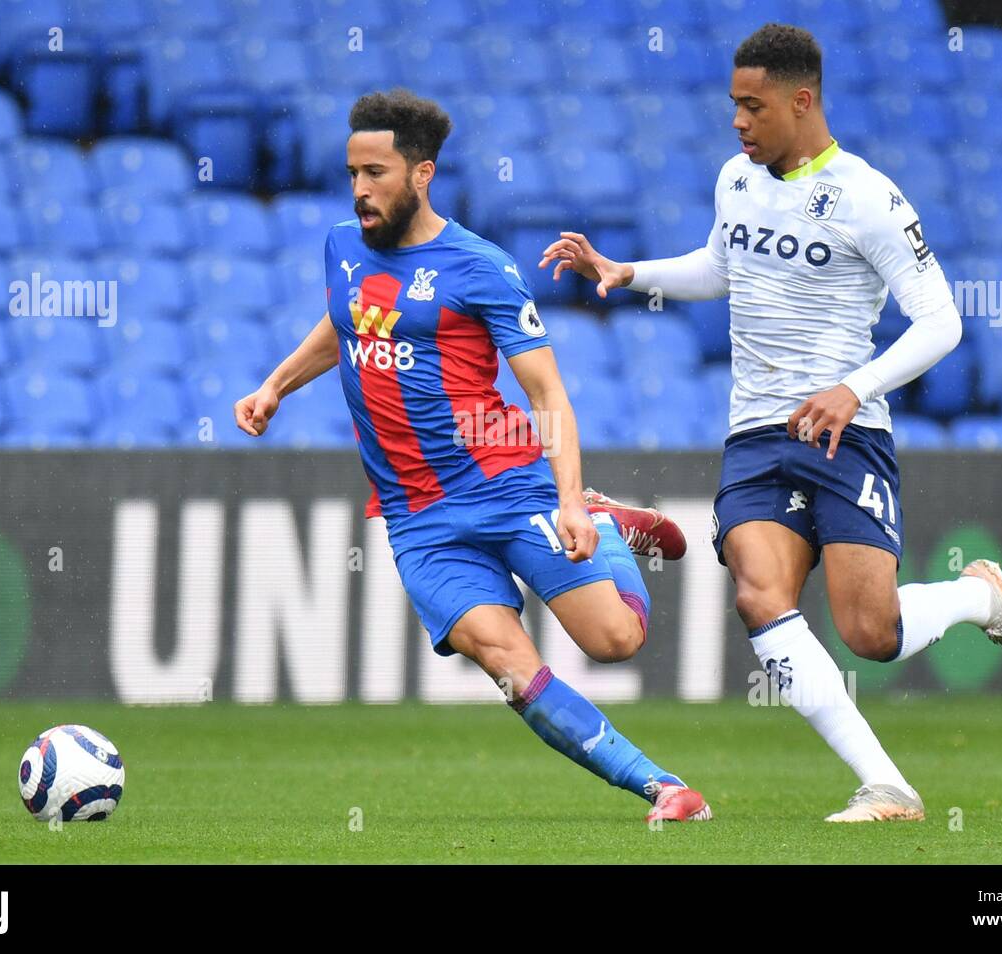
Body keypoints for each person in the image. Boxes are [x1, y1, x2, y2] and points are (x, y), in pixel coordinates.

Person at [539, 23, 1002, 822]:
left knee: (870, 632)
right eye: (733, 107)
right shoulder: (735, 181)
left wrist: (855, 387)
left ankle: (979, 600)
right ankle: (888, 785)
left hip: (847, 434)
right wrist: (628, 270)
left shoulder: (869, 197)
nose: (738, 123)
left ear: (802, 100)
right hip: (755, 433)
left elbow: (942, 323)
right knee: (758, 594)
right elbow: (720, 264)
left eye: (753, 107)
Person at [236, 88, 709, 823]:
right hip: (418, 518)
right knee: (507, 665)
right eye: (353, 173)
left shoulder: (480, 266)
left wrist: (573, 499)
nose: (361, 189)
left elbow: (549, 393)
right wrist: (275, 386)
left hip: (511, 482)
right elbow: (346, 321)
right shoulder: (341, 246)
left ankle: (609, 521)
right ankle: (664, 787)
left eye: (377, 174)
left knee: (614, 639)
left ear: (422, 175)